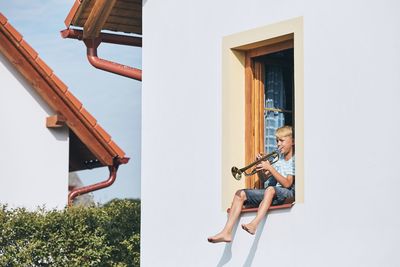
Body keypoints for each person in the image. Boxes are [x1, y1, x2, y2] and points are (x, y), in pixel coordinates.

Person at [208, 125, 295, 243]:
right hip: (273, 192)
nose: (278, 144)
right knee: (240, 194)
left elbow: (288, 183)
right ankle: (226, 232)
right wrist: (259, 167)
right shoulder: (278, 158)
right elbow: (264, 179)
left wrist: (269, 167)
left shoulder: (294, 159)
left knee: (270, 189)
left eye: (282, 140)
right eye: (276, 141)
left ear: (293, 141)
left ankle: (254, 224)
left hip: (288, 193)